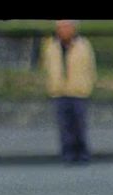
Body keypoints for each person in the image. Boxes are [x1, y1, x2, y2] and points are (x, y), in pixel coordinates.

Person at [42, 19, 96, 164]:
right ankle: (68, 154)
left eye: (67, 27)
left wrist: (88, 86)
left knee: (79, 125)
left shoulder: (83, 45)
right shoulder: (51, 46)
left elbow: (90, 68)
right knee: (64, 126)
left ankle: (82, 154)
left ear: (73, 29)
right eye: (61, 27)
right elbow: (47, 68)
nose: (64, 30)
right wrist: (50, 85)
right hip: (59, 91)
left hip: (78, 91)